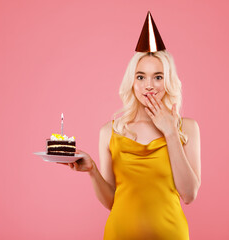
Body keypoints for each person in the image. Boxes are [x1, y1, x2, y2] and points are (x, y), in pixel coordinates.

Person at [60, 12, 201, 240]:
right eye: (141, 77)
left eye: (157, 77)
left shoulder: (187, 128)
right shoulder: (109, 132)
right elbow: (111, 201)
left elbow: (189, 194)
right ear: (131, 82)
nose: (149, 86)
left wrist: (170, 132)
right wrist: (92, 171)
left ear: (168, 81)